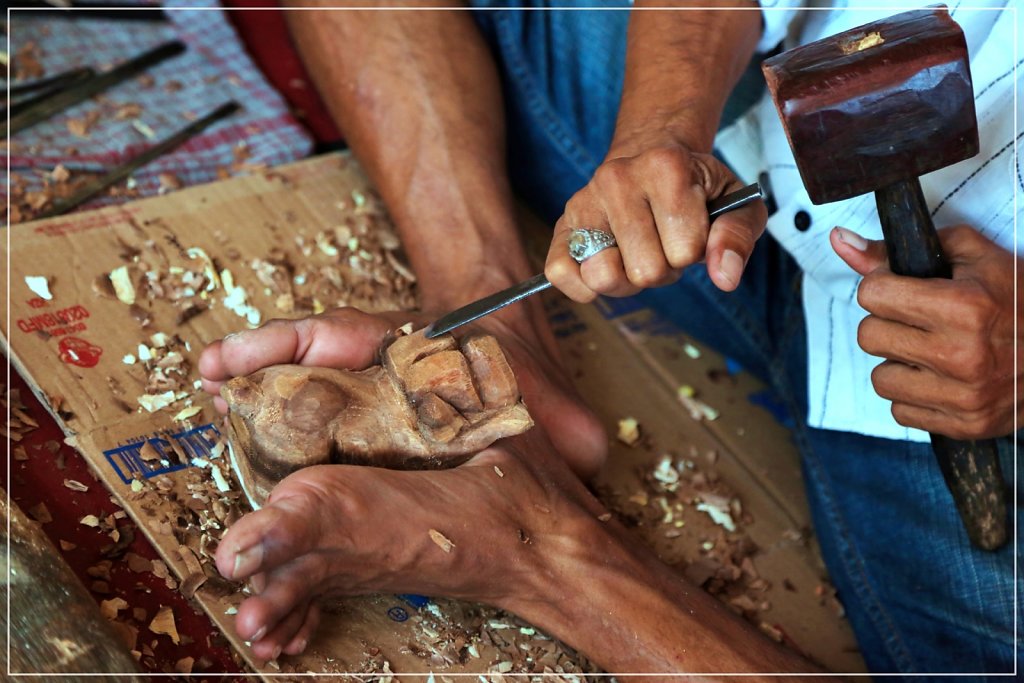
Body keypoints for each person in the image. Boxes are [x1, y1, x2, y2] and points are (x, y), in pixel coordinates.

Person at [199, 0, 1020, 677]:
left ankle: (542, 547)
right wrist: (662, 125)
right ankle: (497, 326)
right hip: (760, 181)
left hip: (970, 391)